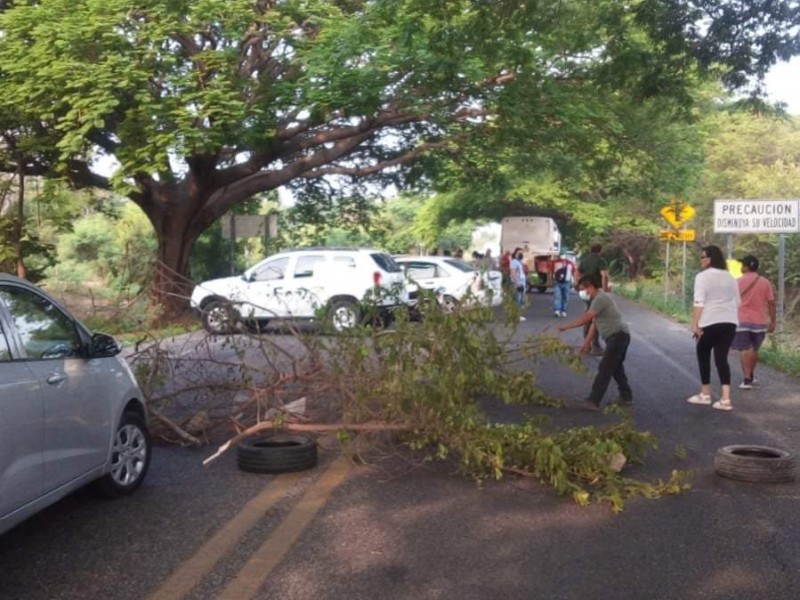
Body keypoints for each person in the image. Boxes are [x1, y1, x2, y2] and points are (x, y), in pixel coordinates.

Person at [556, 274, 632, 411]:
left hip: (618, 336)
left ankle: (593, 401)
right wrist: (585, 344)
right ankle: (626, 396)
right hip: (619, 336)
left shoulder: (600, 298)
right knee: (615, 368)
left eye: (583, 289)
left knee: (605, 368)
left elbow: (586, 318)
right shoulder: (598, 300)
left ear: (590, 287)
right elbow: (594, 325)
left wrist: (566, 326)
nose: (583, 293)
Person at [687, 244, 740, 411]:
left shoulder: (702, 277)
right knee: (721, 358)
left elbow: (699, 302)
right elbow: (738, 301)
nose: (701, 260)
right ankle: (725, 399)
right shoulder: (730, 277)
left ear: (710, 259)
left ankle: (705, 393)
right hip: (729, 321)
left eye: (703, 257)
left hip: (710, 320)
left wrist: (695, 323)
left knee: (703, 353)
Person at [731, 254, 776, 389]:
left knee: (745, 349)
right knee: (754, 350)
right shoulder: (765, 282)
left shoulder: (737, 281)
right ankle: (750, 375)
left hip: (741, 320)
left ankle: (746, 379)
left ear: (745, 267)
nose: (741, 268)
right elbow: (771, 303)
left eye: (742, 265)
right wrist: (773, 321)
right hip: (760, 322)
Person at [575, 244, 609, 354]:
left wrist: (577, 284)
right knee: (595, 317)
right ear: (600, 251)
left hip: (584, 291)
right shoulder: (601, 260)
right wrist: (604, 289)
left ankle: (587, 344)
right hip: (594, 291)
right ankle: (594, 345)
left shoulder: (585, 260)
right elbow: (604, 275)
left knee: (589, 315)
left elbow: (577, 273)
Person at [551, 253, 575, 317]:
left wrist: (573, 281)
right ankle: (557, 310)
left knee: (565, 297)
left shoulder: (570, 263)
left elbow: (573, 272)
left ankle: (563, 310)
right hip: (557, 281)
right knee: (558, 296)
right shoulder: (555, 262)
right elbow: (551, 270)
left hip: (566, 282)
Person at [509, 248, 527, 318]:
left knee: (521, 299)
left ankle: (518, 315)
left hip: (522, 282)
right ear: (515, 253)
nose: (521, 254)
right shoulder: (514, 262)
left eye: (522, 252)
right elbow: (513, 273)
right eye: (519, 252)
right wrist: (517, 283)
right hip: (517, 282)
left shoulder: (520, 262)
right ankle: (516, 315)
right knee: (517, 299)